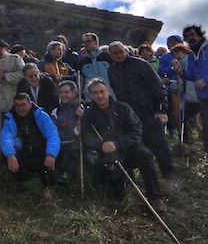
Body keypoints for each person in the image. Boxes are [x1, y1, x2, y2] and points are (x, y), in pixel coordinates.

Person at [81, 79, 165, 207]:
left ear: (108, 91)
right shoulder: (88, 114)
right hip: (105, 154)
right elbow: (86, 136)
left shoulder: (123, 108)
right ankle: (110, 189)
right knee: (116, 195)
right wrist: (100, 145)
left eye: (102, 91)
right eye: (95, 93)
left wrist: (118, 144)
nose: (100, 95)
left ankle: (155, 197)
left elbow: (136, 130)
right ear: (91, 95)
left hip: (128, 149)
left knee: (145, 155)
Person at [107, 41, 177, 182]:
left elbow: (158, 87)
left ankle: (170, 176)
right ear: (110, 55)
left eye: (121, 52)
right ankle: (143, 178)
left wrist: (161, 109)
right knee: (135, 147)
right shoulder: (111, 70)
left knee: (158, 144)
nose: (119, 55)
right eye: (115, 53)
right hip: (129, 115)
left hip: (149, 111)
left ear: (125, 50)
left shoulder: (140, 65)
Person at [0, 92, 60, 192]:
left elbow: (53, 135)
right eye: (17, 105)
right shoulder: (9, 118)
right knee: (8, 152)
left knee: (54, 160)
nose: (20, 108)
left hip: (41, 151)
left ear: (30, 104)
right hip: (23, 152)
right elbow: (5, 138)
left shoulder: (42, 116)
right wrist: (10, 155)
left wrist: (51, 154)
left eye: (23, 104)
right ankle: (23, 181)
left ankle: (46, 183)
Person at [50, 81, 83, 186]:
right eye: (62, 92)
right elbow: (53, 130)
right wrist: (71, 132)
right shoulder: (56, 111)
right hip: (60, 142)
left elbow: (86, 128)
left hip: (77, 143)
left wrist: (83, 117)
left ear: (74, 93)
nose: (64, 95)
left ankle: (67, 178)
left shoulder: (82, 108)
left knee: (71, 150)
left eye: (67, 92)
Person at [183, 24, 208, 154]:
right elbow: (192, 76)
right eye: (187, 37)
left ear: (199, 34)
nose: (190, 38)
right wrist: (181, 72)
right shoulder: (191, 56)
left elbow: (202, 79)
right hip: (203, 97)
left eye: (192, 34)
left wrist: (205, 80)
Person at [78, 32, 112, 102]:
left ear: (95, 42)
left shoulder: (107, 57)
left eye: (88, 41)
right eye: (84, 42)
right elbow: (81, 81)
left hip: (109, 96)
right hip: (90, 98)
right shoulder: (82, 62)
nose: (86, 44)